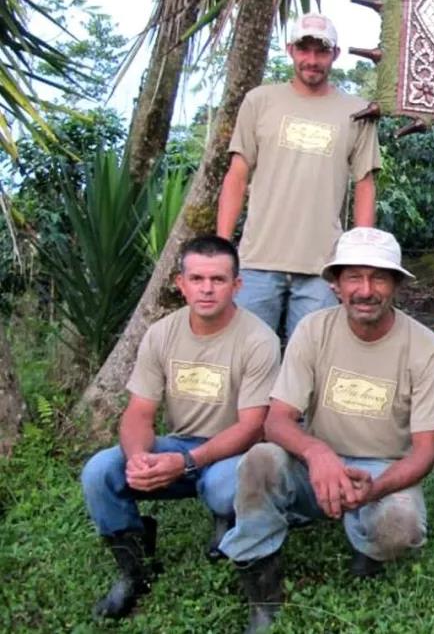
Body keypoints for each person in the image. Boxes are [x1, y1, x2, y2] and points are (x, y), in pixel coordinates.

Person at [218, 227, 434, 633]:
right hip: (316, 465)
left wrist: (375, 490)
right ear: (336, 284)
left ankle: (368, 548)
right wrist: (317, 454)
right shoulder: (313, 330)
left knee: (400, 525)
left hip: (382, 469)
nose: (365, 290)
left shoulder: (425, 347)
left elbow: (425, 451)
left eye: (379, 277)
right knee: (260, 460)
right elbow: (277, 419)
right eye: (354, 277)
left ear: (396, 284)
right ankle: (262, 586)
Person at [80, 236, 280, 619]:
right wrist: (140, 458)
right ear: (180, 283)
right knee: (99, 472)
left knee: (225, 487)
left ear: (237, 285)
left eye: (218, 279)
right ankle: (134, 571)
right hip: (177, 445)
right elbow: (139, 412)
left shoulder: (259, 340)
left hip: (233, 452)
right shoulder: (161, 334)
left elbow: (254, 426)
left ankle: (234, 531)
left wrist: (185, 462)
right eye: (198, 278)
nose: (207, 289)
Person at [217, 12, 381, 339]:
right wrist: (223, 249)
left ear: (335, 54)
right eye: (304, 50)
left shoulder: (358, 111)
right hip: (257, 262)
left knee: (310, 366)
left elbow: (365, 184)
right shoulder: (260, 101)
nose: (312, 60)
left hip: (323, 268)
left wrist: (359, 259)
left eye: (321, 51)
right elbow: (237, 174)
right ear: (290, 49)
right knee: (248, 359)